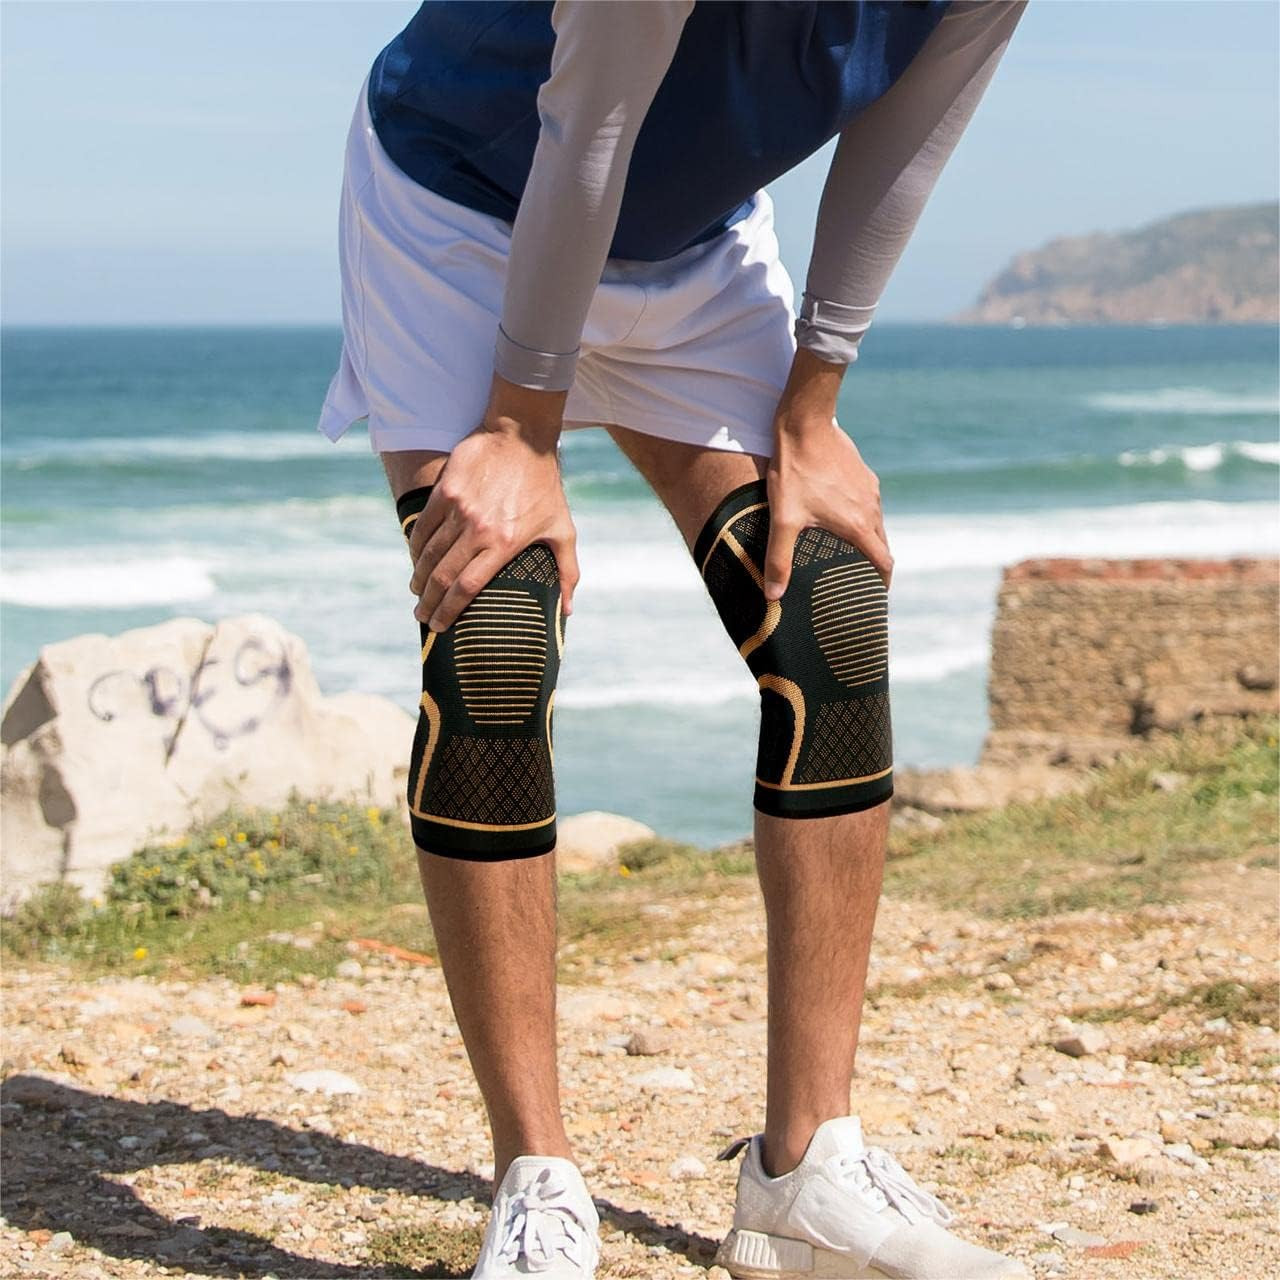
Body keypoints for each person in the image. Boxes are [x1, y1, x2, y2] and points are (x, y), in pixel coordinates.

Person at [315, 2, 1030, 1276]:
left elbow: (906, 140)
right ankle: (534, 1176)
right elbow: (588, 121)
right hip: (460, 209)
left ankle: (805, 1170)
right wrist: (518, 431)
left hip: (690, 249)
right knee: (490, 630)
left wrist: (812, 405)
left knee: (823, 605)